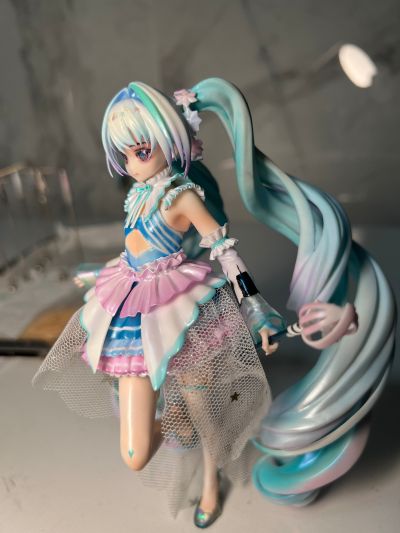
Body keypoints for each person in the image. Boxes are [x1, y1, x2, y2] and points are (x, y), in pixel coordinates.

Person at [33, 77, 396, 526]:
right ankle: (176, 422)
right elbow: (134, 251)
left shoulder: (182, 197)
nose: (131, 165)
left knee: (204, 411)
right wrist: (101, 271)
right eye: (125, 155)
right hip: (130, 309)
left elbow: (224, 250)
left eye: (140, 151)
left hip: (178, 308)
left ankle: (209, 481)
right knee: (134, 453)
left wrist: (254, 306)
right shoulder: (137, 195)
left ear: (169, 141)